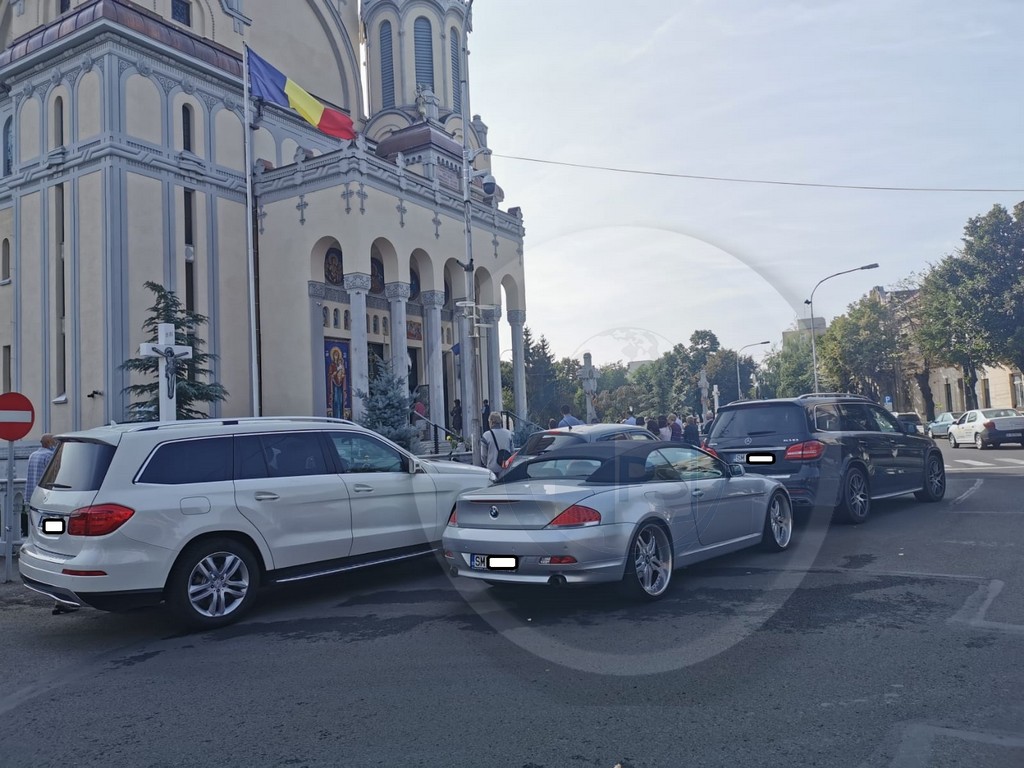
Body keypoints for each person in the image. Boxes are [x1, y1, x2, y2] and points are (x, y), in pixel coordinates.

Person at [28, 435, 76, 615]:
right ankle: (62, 600)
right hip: (52, 505)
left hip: (36, 504)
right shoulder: (50, 456)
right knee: (60, 550)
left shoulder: (33, 455)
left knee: (44, 548)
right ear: (50, 443)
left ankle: (59, 598)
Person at [481, 411, 513, 477]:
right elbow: (512, 452)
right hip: (506, 469)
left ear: (491, 422)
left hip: (492, 470)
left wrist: (487, 464)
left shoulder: (486, 435)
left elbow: (483, 455)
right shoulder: (508, 434)